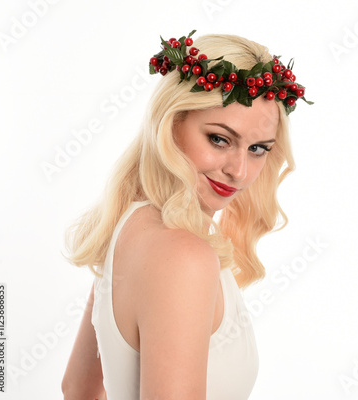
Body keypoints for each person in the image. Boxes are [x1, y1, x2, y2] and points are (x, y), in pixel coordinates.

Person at [60, 30, 311, 400]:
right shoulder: (182, 254)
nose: (239, 171)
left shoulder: (129, 225)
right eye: (219, 139)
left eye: (258, 148)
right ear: (171, 123)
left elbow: (78, 388)